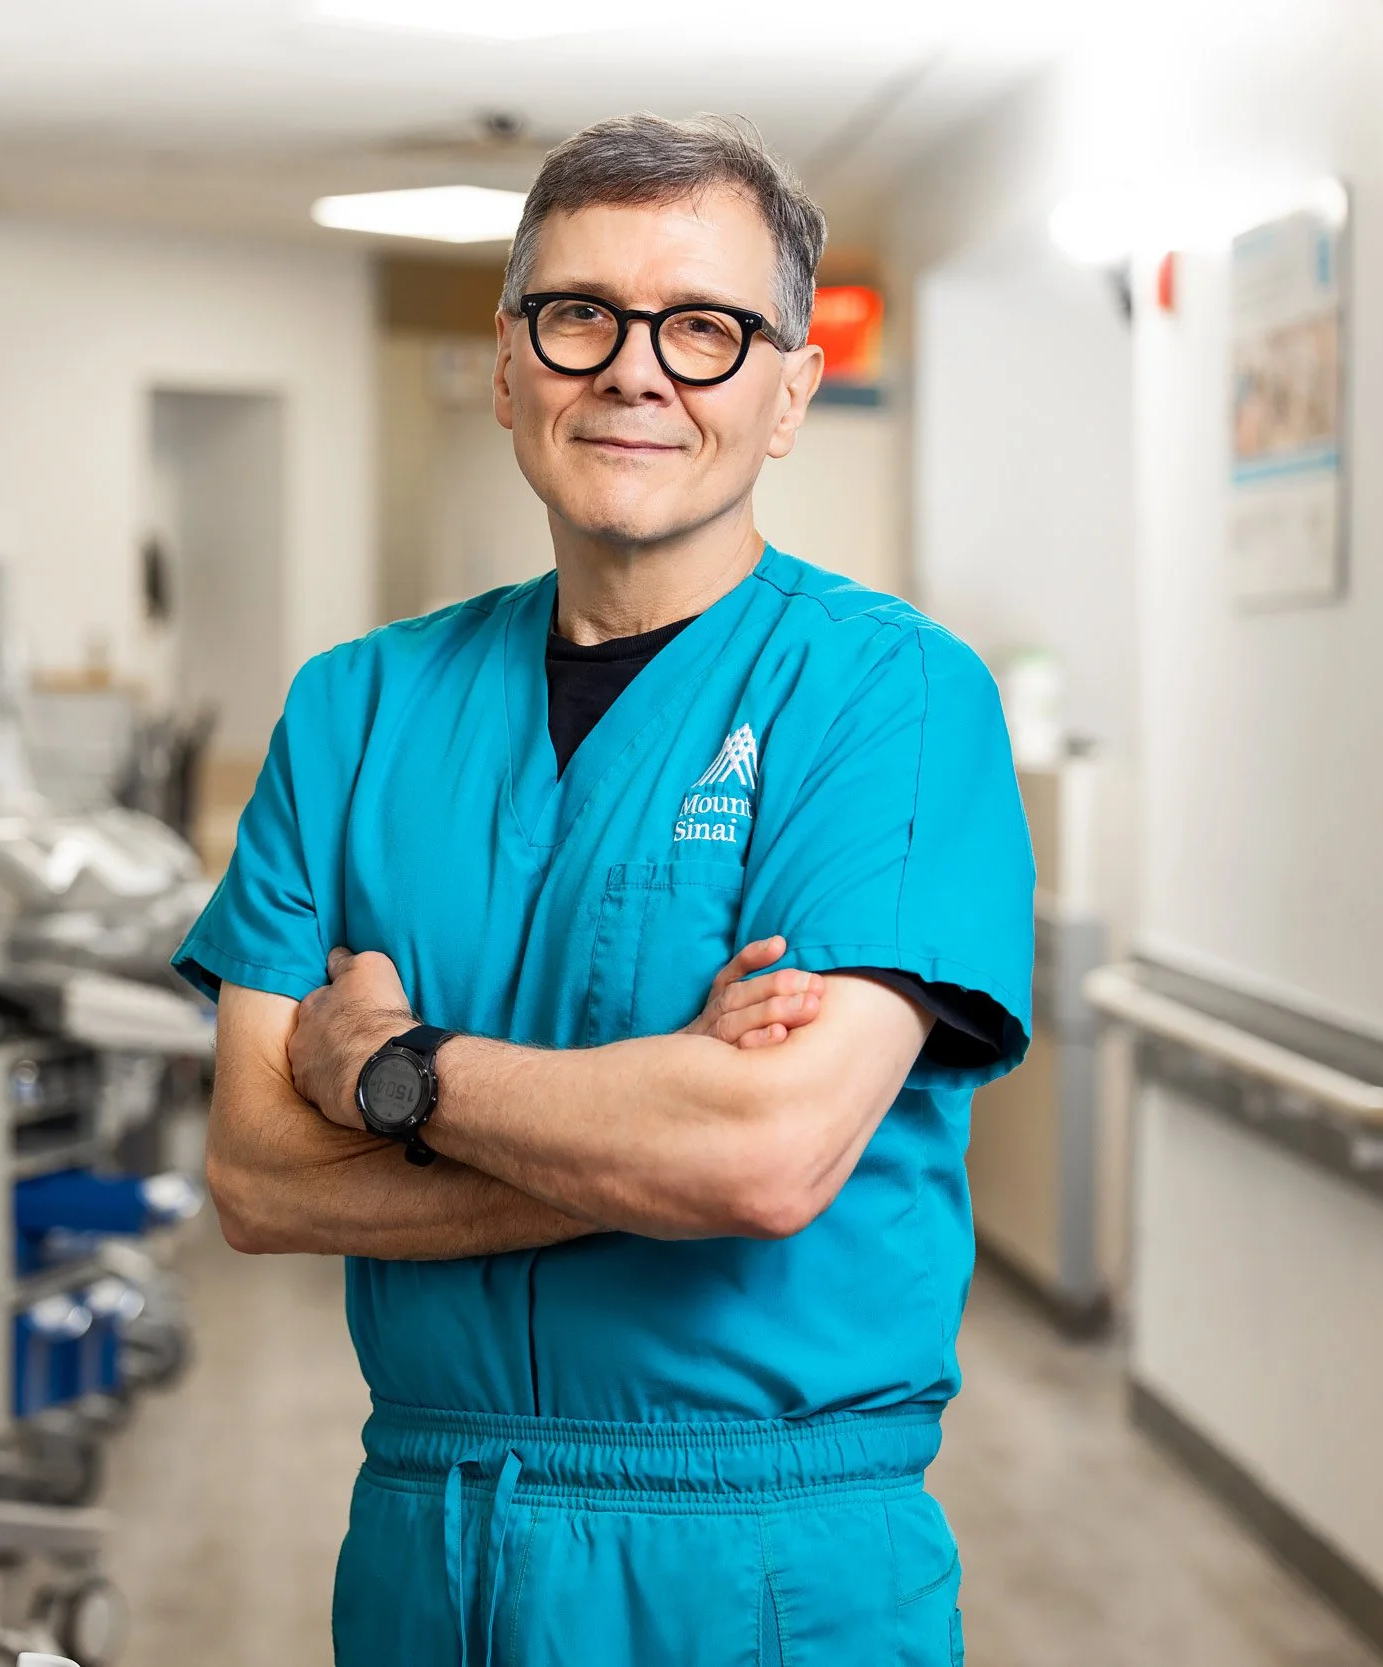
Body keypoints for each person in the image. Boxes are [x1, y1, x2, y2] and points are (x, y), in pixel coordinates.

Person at [172, 113, 1032, 1666]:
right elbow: (258, 1178)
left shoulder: (890, 699)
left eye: (704, 329)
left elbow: (761, 1156)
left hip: (767, 1563)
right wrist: (650, 1133)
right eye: (581, 316)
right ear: (510, 364)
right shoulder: (353, 709)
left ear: (790, 392)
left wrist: (395, 1072)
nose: (636, 372)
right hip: (424, 1547)